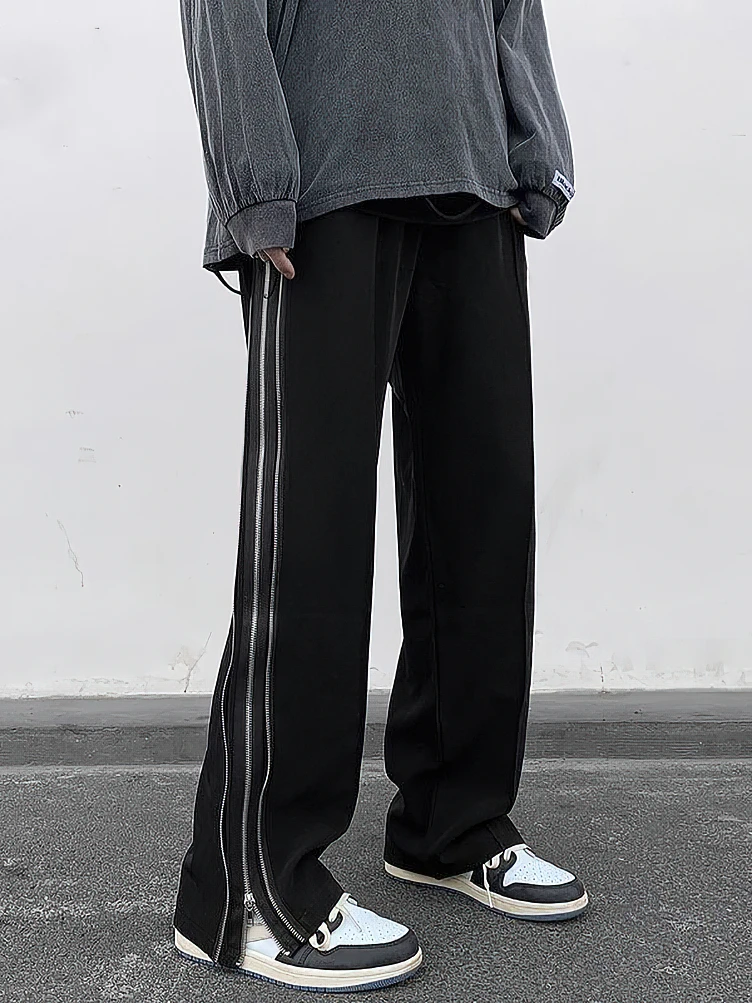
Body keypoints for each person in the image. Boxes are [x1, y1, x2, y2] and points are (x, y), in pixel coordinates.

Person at [172, 0, 587, 992]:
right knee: (309, 541)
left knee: (481, 522)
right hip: (320, 189)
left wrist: (535, 150)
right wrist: (255, 183)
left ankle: (452, 822)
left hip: (473, 178)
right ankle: (243, 889)